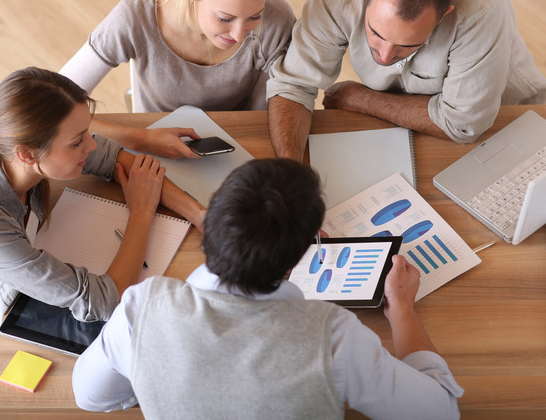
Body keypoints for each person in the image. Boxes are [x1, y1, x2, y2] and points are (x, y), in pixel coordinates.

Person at [0, 68, 205, 420]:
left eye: (87, 133)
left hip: (12, 284)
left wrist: (199, 214)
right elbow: (103, 299)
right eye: (78, 141)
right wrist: (141, 212)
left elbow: (118, 160)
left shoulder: (5, 132)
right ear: (26, 154)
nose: (93, 145)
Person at [72, 159, 463, 419]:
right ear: (299, 254)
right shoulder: (334, 338)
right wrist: (402, 309)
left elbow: (89, 396)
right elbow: (441, 411)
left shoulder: (141, 309)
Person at [267, 0, 546, 161]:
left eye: (407, 45)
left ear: (443, 16)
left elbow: (463, 125)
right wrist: (291, 170)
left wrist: (360, 97)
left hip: (509, 121)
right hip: (409, 123)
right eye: (376, 33)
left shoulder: (481, 13)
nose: (386, 57)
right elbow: (293, 84)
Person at [60, 0, 296, 159]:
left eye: (255, 17)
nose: (239, 36)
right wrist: (141, 138)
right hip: (154, 136)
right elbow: (52, 102)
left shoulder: (277, 20)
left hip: (237, 140)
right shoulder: (135, 17)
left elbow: (261, 117)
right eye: (225, 18)